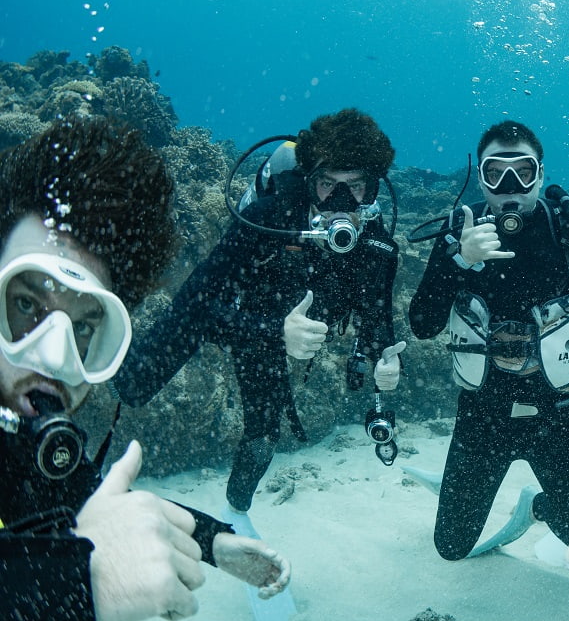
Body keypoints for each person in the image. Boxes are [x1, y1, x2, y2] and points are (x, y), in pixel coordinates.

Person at [0, 117, 290, 621]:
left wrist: (217, 544)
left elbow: (83, 495)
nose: (53, 358)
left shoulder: (27, 449)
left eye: (85, 329)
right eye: (26, 303)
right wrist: (72, 583)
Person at [113, 108, 404, 523]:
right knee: (133, 386)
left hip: (274, 330)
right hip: (252, 317)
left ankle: (235, 513)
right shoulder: (268, 218)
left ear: (373, 189)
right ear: (309, 182)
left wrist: (387, 366)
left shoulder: (376, 249)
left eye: (356, 186)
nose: (341, 201)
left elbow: (379, 330)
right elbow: (194, 305)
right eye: (327, 184)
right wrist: (273, 330)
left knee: (263, 438)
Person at [408, 120, 569, 561]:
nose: (509, 186)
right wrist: (459, 260)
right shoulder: (462, 230)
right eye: (496, 173)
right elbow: (422, 325)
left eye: (523, 172)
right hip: (483, 413)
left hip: (559, 414)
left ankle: (537, 507)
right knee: (451, 548)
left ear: (541, 173)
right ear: (481, 177)